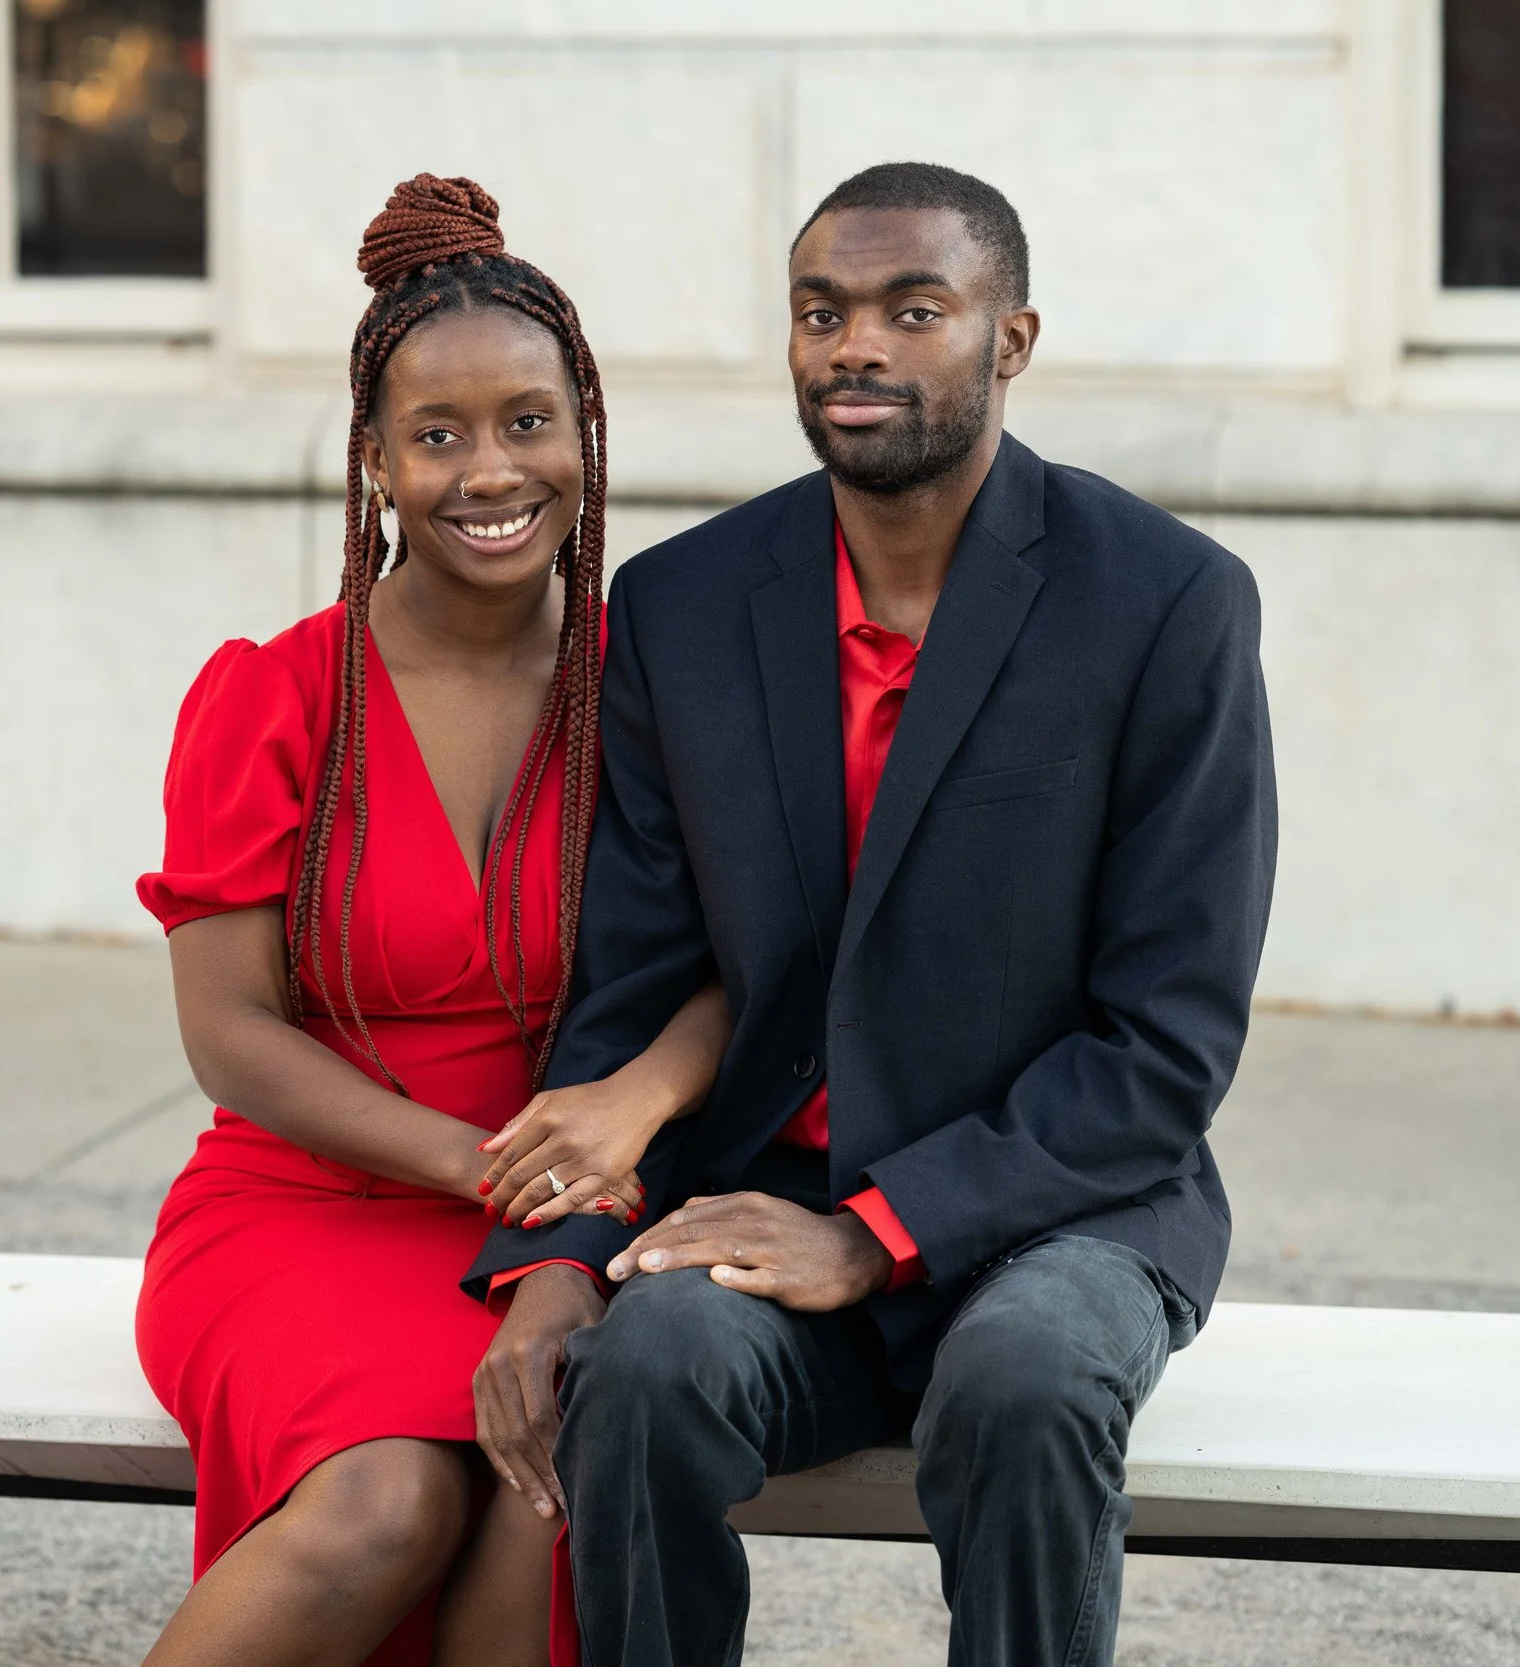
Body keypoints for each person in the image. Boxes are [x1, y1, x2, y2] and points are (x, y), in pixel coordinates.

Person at [465, 161, 1278, 1666]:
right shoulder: (683, 602)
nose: (859, 348)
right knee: (642, 1371)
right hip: (770, 1196)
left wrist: (882, 1231)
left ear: (1011, 340)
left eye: (916, 310)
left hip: (1066, 1210)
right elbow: (635, 981)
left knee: (1026, 1380)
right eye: (821, 311)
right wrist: (562, 1253)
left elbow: (1167, 1043)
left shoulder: (1168, 602)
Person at [129, 175, 728, 1667]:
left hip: (566, 1223)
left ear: (584, 431)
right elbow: (230, 1035)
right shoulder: (272, 697)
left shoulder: (652, 694)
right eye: (437, 434)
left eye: (528, 420)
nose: (489, 470)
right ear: (376, 463)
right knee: (385, 1501)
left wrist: (594, 1163)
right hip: (304, 1206)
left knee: (536, 1505)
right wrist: (482, 1163)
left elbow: (735, 975)